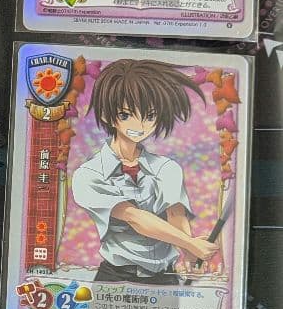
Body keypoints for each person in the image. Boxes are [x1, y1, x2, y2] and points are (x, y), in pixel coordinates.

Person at [71, 58, 219, 284]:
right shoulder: (89, 175)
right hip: (116, 278)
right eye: (126, 114)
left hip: (165, 277)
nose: (140, 126)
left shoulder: (166, 168)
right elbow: (134, 217)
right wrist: (191, 244)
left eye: (150, 116)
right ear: (107, 115)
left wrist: (190, 253)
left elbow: (175, 214)